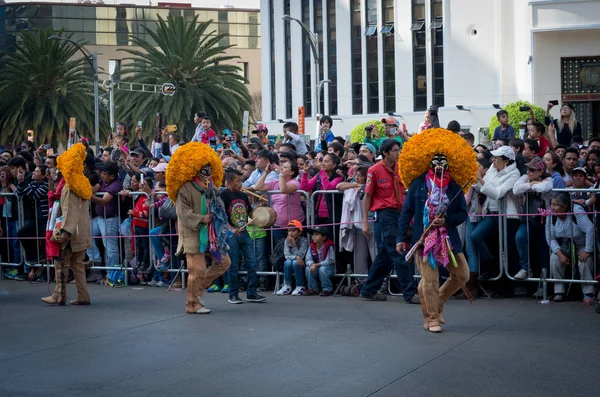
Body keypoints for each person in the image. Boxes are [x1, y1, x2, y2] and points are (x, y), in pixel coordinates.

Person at [397, 128, 476, 333]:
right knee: (430, 280)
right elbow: (406, 212)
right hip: (424, 239)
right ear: (429, 163)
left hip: (448, 239)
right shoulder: (417, 184)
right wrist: (400, 237)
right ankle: (431, 317)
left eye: (444, 162)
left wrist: (447, 220)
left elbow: (462, 214)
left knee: (462, 274)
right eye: (436, 162)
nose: (440, 166)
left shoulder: (455, 187)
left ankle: (438, 302)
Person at [169, 142, 231, 314]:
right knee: (197, 271)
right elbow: (183, 213)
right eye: (203, 167)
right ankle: (193, 304)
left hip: (212, 236)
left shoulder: (211, 187)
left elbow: (219, 209)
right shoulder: (185, 188)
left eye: (209, 167)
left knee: (224, 262)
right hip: (192, 234)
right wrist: (203, 218)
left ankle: (197, 290)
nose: (207, 171)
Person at [359, 139, 419, 303]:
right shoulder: (374, 170)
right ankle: (410, 292)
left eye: (398, 150)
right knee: (398, 252)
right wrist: (365, 221)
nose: (398, 153)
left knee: (385, 255)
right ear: (385, 152)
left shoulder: (401, 168)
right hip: (385, 214)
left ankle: (368, 289)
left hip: (399, 213)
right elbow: (367, 196)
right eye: (394, 150)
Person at [42, 143, 93, 306]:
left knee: (60, 264)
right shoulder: (82, 182)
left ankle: (59, 295)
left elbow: (70, 210)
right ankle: (83, 295)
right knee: (78, 265)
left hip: (71, 232)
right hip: (82, 230)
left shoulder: (70, 186)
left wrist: (66, 231)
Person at [470, 145, 521, 280]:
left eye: (497, 159)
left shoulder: (514, 173)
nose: (493, 161)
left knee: (506, 248)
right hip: (491, 212)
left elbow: (498, 193)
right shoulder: (493, 168)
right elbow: (486, 185)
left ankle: (505, 285)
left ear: (506, 161)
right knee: (476, 237)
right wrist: (475, 181)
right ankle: (493, 267)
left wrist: (480, 180)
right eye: (493, 158)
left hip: (508, 216)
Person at [221, 169, 267, 304]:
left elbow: (250, 213)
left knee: (252, 263)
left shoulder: (243, 195)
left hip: (244, 232)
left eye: (241, 180)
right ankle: (233, 294)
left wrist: (260, 208)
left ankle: (251, 293)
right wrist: (230, 229)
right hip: (231, 235)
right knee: (234, 265)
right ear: (229, 182)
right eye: (238, 181)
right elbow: (221, 215)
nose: (241, 184)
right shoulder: (223, 194)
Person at [546, 192, 595, 305]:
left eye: (555, 205)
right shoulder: (551, 216)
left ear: (565, 206)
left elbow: (590, 229)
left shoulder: (576, 211)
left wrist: (587, 250)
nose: (552, 208)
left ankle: (588, 293)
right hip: (564, 245)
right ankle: (559, 292)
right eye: (552, 204)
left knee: (584, 261)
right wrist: (560, 254)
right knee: (555, 259)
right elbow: (550, 238)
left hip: (581, 244)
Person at [512, 157, 552, 280]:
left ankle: (544, 283)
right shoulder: (526, 178)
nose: (528, 172)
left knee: (542, 251)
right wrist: (531, 184)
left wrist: (534, 185)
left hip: (543, 222)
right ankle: (525, 268)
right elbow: (515, 189)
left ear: (541, 171)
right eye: (528, 169)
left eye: (532, 170)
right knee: (520, 237)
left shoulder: (549, 179)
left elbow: (543, 188)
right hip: (527, 219)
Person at [255, 160, 305, 242]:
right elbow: (258, 187)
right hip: (277, 224)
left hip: (294, 225)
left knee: (293, 249)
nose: (281, 168)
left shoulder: (295, 183)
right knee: (279, 250)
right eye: (282, 166)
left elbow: (283, 189)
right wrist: (266, 173)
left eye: (285, 167)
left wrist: (280, 174)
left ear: (292, 172)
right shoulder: (275, 182)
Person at [276, 220, 310, 296]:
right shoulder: (286, 241)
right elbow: (287, 255)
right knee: (287, 262)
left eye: (293, 231)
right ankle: (287, 285)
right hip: (291, 260)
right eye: (289, 231)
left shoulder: (304, 241)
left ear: (300, 232)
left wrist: (294, 245)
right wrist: (296, 257)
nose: (290, 233)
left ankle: (300, 285)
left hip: (302, 262)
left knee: (295, 262)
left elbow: (302, 256)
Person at [305, 226, 336, 296]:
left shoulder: (329, 246)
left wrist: (316, 265)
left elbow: (330, 260)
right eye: (313, 235)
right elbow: (308, 259)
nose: (314, 237)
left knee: (322, 269)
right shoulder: (311, 246)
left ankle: (327, 289)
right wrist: (312, 264)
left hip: (328, 267)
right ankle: (312, 288)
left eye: (316, 235)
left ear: (324, 238)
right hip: (316, 266)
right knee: (308, 268)